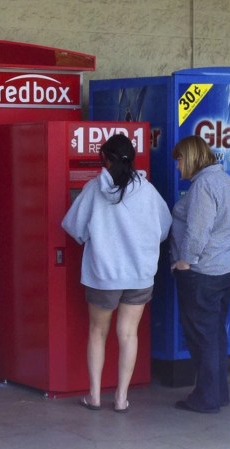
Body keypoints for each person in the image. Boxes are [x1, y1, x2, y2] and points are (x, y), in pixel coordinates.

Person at [62, 134, 171, 413]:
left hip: (104, 275)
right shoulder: (147, 191)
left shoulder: (92, 189)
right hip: (139, 274)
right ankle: (121, 398)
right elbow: (164, 228)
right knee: (128, 334)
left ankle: (95, 395)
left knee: (98, 332)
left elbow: (74, 227)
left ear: (105, 159)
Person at [170, 135, 230, 414]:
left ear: (189, 158)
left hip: (205, 272)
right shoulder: (223, 178)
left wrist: (184, 262)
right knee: (214, 333)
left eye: (178, 160)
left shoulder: (203, 185)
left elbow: (197, 231)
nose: (177, 167)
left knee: (203, 337)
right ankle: (218, 393)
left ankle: (206, 398)